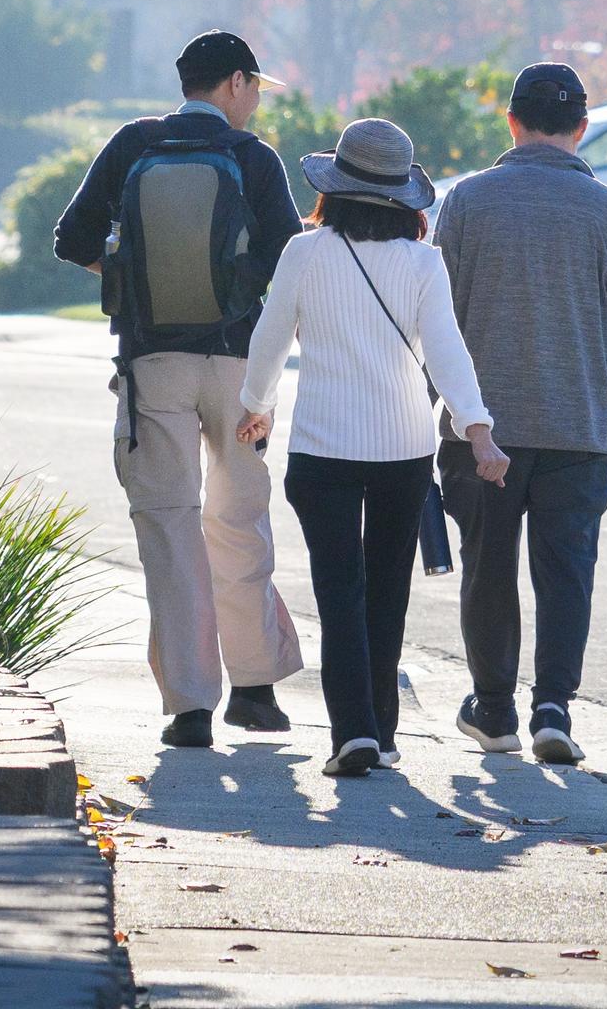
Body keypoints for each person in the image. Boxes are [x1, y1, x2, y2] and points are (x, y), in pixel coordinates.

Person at [53, 30, 307, 748]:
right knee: (238, 520)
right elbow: (287, 256)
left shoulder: (133, 143)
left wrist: (133, 279)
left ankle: (191, 706)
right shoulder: (252, 157)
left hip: (152, 361)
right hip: (238, 368)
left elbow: (72, 239)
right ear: (234, 83)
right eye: (254, 87)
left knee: (169, 526)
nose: (255, 102)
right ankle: (254, 691)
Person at [240, 118, 513, 778]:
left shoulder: (303, 252)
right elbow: (446, 351)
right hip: (403, 451)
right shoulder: (422, 262)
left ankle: (354, 733)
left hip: (322, 448)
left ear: (334, 188)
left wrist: (257, 406)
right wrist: (477, 428)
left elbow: (269, 339)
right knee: (387, 592)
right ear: (402, 196)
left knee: (339, 592)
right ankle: (381, 733)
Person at [431, 62, 607, 765]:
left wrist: (448, 397)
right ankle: (554, 707)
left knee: (487, 566)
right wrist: (595, 382)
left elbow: (437, 314)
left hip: (481, 428)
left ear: (511, 122)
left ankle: (494, 708)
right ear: (582, 128)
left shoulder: (467, 202)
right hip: (578, 429)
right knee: (567, 572)